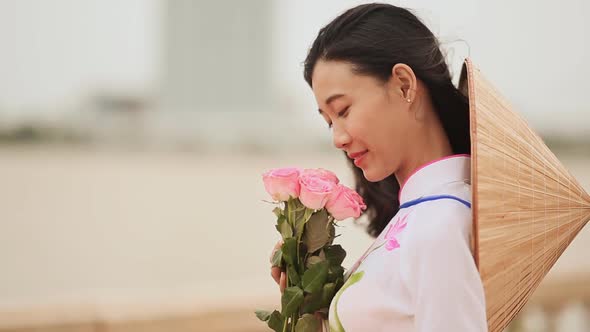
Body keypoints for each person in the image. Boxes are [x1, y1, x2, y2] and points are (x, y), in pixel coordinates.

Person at [270, 3, 487, 331]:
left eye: (342, 110)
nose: (337, 139)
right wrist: (310, 305)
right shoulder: (427, 212)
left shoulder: (439, 225)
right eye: (329, 121)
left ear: (403, 85)